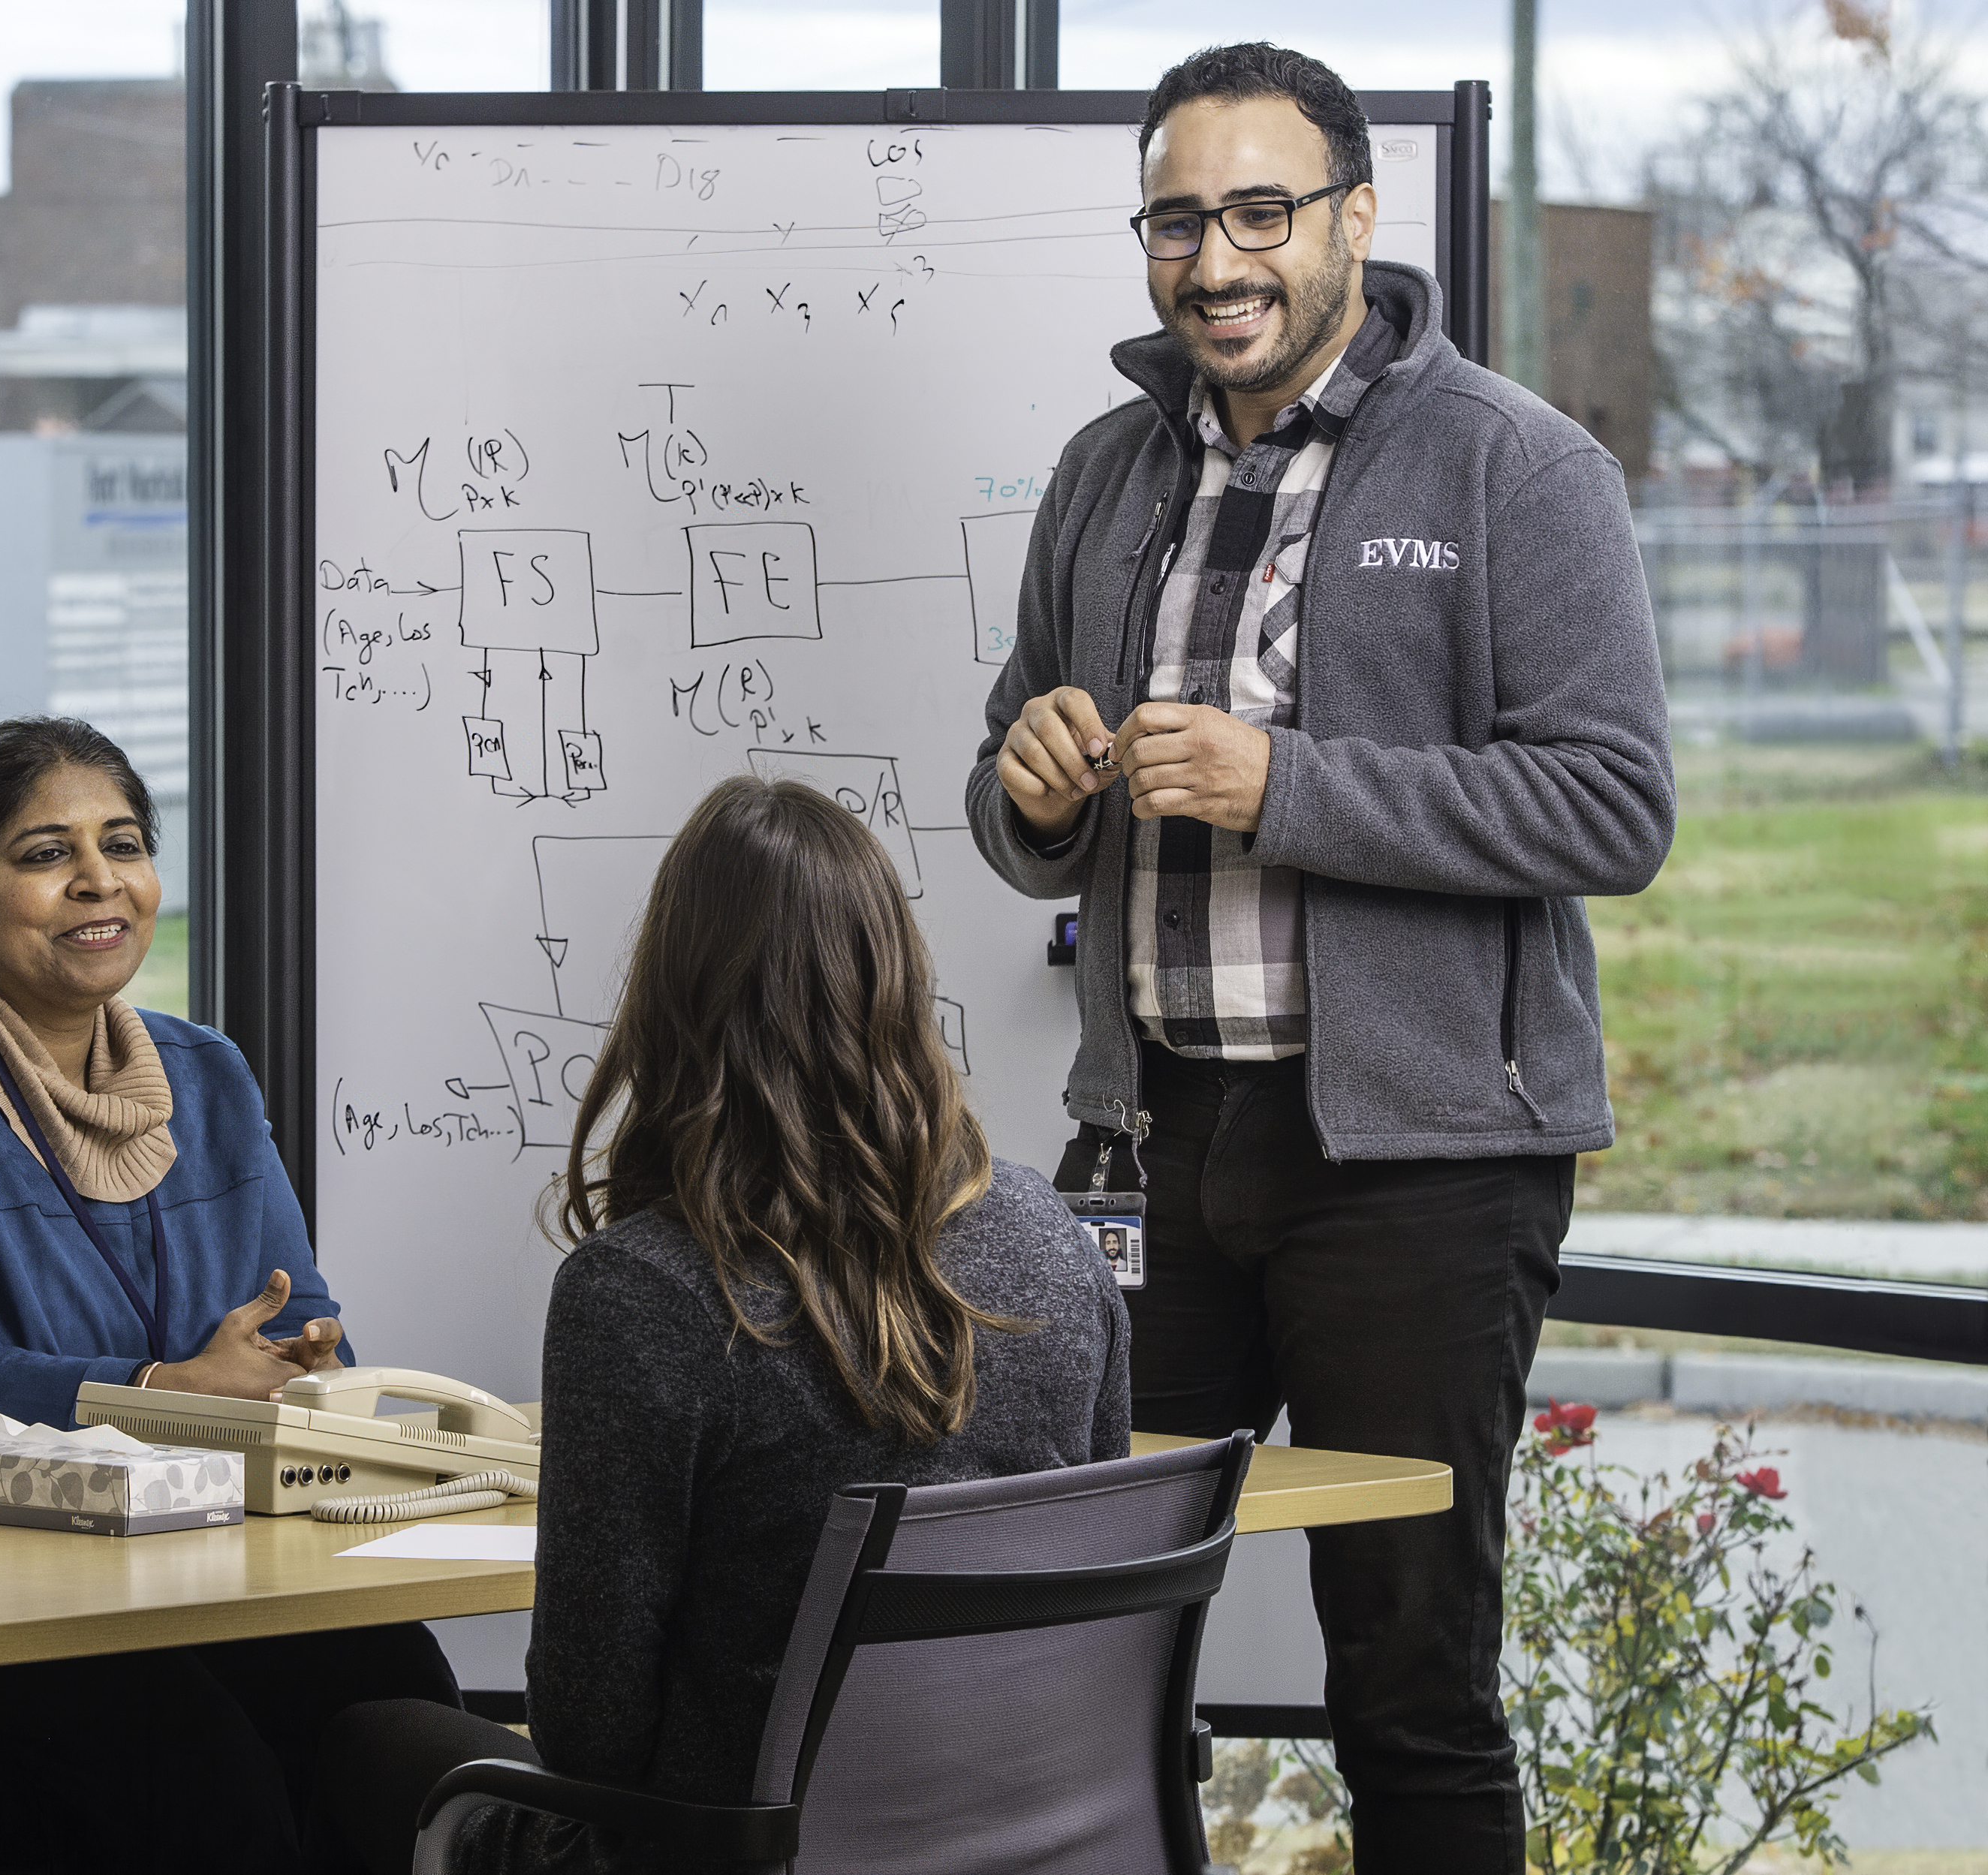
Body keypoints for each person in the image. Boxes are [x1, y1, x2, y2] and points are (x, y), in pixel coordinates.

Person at [966, 43, 1674, 1874]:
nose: (1217, 261)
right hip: (1146, 1153)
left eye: (1261, 212)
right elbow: (1015, 798)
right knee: (1078, 1651)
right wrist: (1033, 789)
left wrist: (1289, 784)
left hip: (1422, 1170)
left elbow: (1613, 810)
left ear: (1358, 216)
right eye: (1178, 219)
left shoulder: (1522, 466)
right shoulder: (1104, 475)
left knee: (1411, 1687)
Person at [305, 775, 1131, 1875]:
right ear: (901, 978)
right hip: (1021, 1832)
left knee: (362, 1736)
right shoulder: (1054, 1241)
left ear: (672, 994)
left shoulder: (642, 1291)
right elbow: (1097, 1589)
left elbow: (590, 1734)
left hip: (730, 1847)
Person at [0, 716, 465, 1875]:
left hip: (167, 1559)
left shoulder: (205, 1073)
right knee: (199, 1785)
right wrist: (169, 1389)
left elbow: (302, 1322)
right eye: (43, 852)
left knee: (395, 1698)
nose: (96, 879)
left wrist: (299, 1368)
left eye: (122, 842)